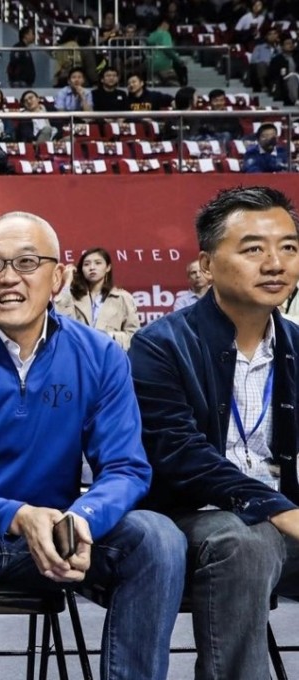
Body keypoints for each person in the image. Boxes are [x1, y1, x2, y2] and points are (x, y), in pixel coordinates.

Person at [0, 211, 186, 680]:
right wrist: (17, 515)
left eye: (27, 262)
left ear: (57, 277)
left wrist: (82, 519)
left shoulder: (101, 355)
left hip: (64, 529)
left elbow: (126, 468)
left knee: (158, 537)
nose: (9, 278)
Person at [129, 186, 299, 680]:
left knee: (260, 539)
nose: (275, 263)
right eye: (253, 249)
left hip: (281, 523)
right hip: (189, 520)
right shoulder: (160, 346)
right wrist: (281, 510)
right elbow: (179, 455)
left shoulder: (294, 346)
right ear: (206, 264)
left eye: (288, 247)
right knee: (247, 542)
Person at [55, 247, 140, 350]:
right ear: (81, 269)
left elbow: (135, 338)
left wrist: (109, 336)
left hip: (110, 357)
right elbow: (60, 324)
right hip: (79, 356)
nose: (92, 267)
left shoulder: (123, 298)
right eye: (86, 264)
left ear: (108, 267)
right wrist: (68, 282)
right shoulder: (72, 297)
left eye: (98, 263)